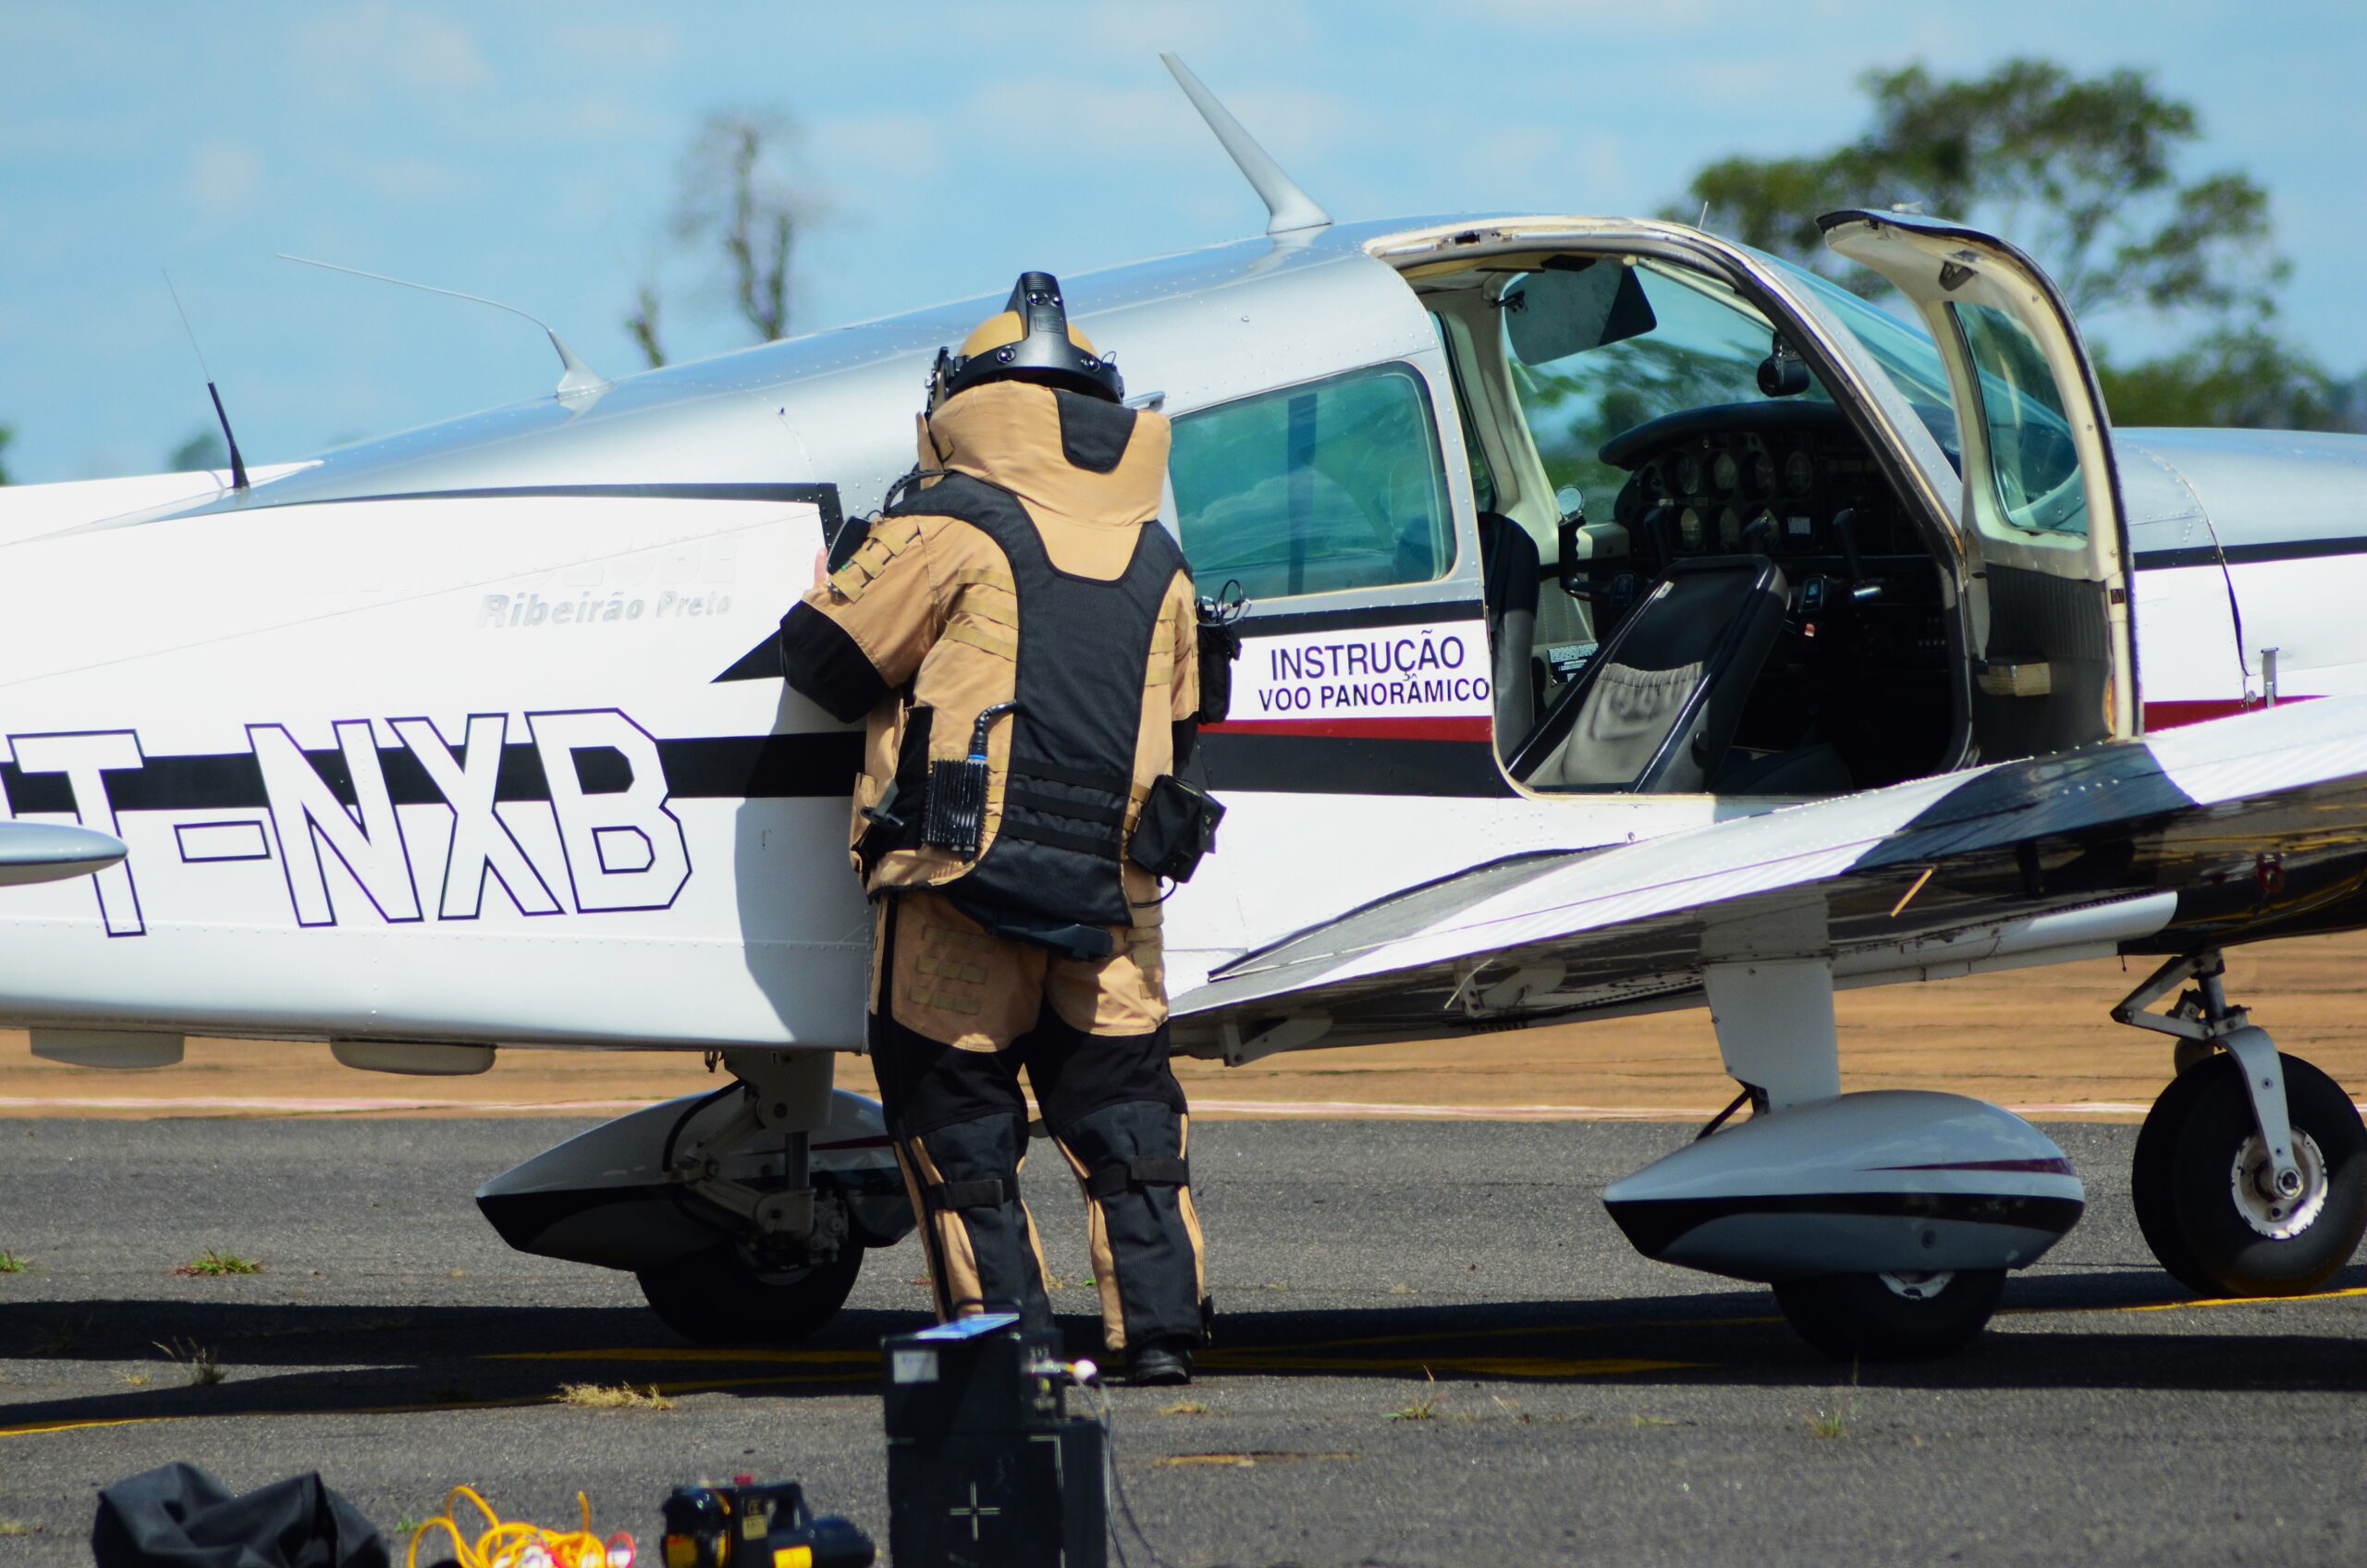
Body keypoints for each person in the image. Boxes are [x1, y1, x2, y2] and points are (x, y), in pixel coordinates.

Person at [777, 272, 1210, 1385]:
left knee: (955, 1121)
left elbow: (823, 663)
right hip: (1115, 901)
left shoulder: (942, 526)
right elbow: (1184, 723)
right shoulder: (1161, 557)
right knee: (1127, 1119)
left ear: (959, 404)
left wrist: (840, 574)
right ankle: (1161, 1334)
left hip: (957, 889)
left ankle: (1004, 1347)